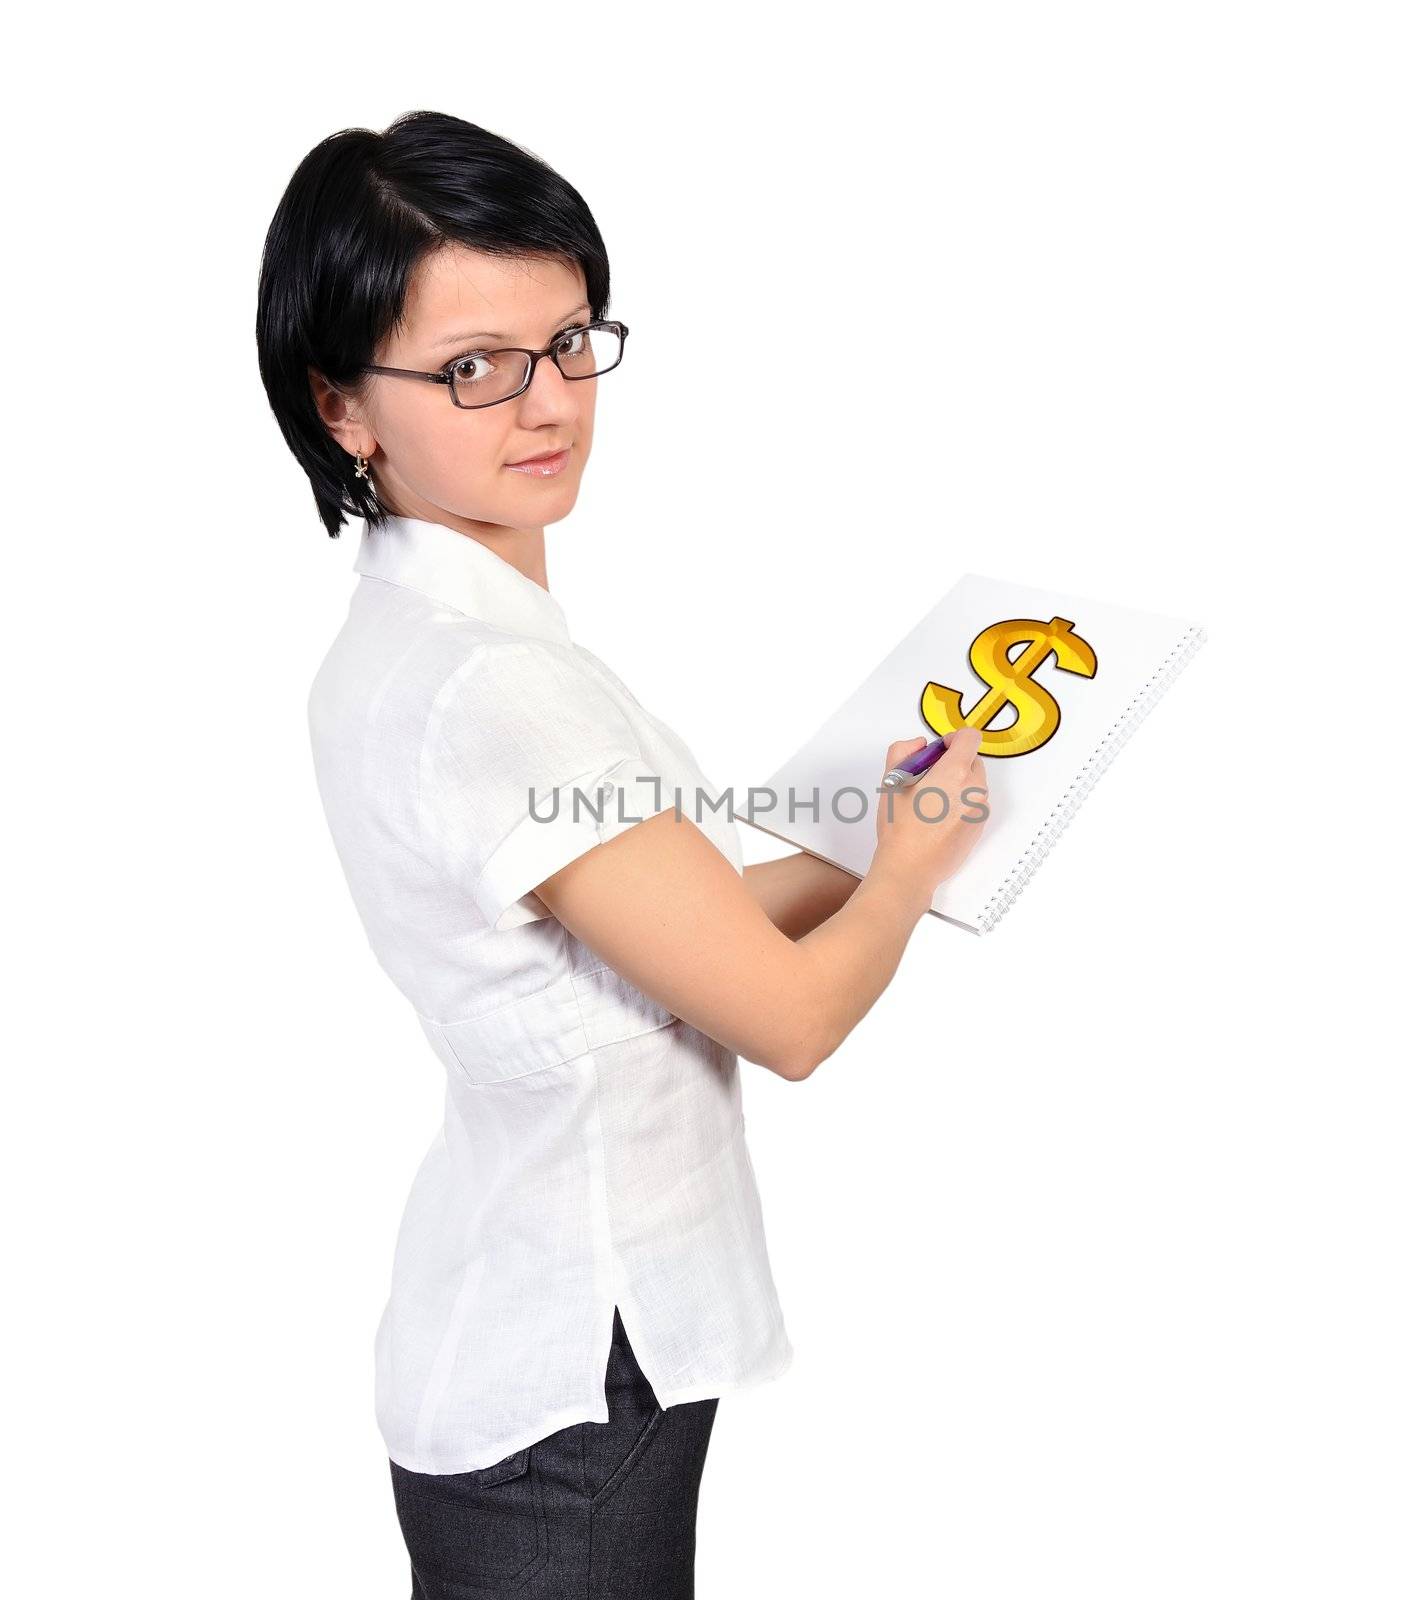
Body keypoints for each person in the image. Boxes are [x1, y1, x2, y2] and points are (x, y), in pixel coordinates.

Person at [256, 110, 987, 1598]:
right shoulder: (491, 684)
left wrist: (863, 844)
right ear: (343, 408)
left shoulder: (437, 636)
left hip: (550, 1336)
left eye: (570, 339)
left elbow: (674, 927)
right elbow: (783, 1018)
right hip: (572, 1380)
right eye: (473, 366)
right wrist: (905, 870)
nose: (548, 403)